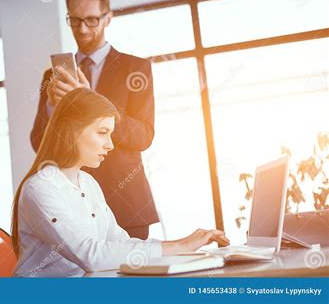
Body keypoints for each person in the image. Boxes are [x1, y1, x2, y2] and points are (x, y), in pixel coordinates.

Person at [13, 88, 229, 277]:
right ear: (72, 130)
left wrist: (179, 246)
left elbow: (119, 241)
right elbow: (91, 256)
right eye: (102, 133)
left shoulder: (88, 183)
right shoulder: (40, 188)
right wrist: (178, 246)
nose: (110, 145)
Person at [31, 0, 157, 239]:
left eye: (91, 20)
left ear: (108, 17)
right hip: (72, 202)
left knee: (135, 276)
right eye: (75, 20)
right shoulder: (54, 76)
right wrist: (53, 106)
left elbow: (143, 136)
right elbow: (38, 142)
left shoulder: (135, 68)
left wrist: (91, 99)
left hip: (126, 201)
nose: (83, 29)